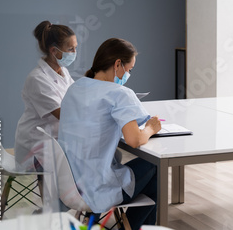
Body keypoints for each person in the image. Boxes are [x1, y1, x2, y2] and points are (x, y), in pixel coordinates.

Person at [58, 38, 162, 230]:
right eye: (129, 69)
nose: (128, 74)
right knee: (155, 166)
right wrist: (151, 128)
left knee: (134, 169)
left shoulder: (75, 88)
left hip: (69, 185)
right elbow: (133, 140)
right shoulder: (119, 93)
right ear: (117, 64)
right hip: (95, 189)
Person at [15, 20, 77, 170]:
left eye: (76, 48)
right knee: (85, 161)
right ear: (54, 51)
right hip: (36, 146)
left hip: (55, 139)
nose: (74, 53)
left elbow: (77, 99)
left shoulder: (63, 71)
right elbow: (65, 115)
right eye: (70, 49)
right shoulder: (37, 79)